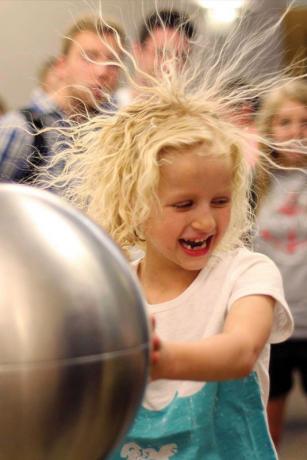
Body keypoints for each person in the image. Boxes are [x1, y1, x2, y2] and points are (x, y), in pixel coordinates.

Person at [43, 33, 300, 457]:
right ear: (136, 204)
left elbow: (240, 351)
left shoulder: (247, 273)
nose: (205, 219)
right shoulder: (113, 288)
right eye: (183, 204)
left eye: (220, 200)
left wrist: (159, 361)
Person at [0, 15, 125, 183]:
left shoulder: (117, 135)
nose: (102, 71)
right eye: (89, 57)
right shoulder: (23, 129)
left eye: (113, 62)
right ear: (62, 65)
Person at [254, 80, 307, 449]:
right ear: (270, 128)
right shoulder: (253, 182)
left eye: (305, 122)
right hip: (272, 325)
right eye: (285, 122)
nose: (295, 133)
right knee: (269, 437)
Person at [116, 9, 195, 106]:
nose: (170, 66)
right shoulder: (107, 112)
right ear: (138, 51)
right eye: (161, 53)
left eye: (181, 57)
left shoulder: (192, 117)